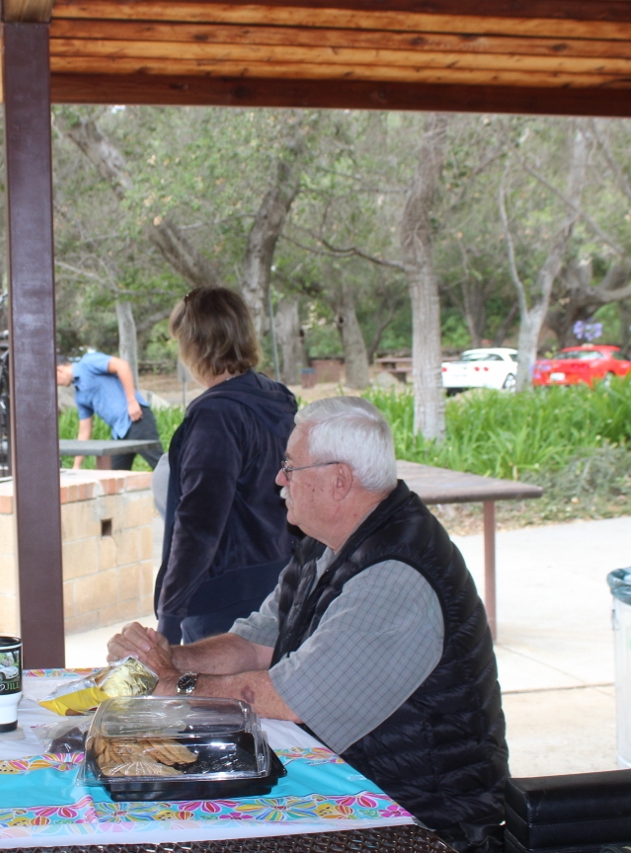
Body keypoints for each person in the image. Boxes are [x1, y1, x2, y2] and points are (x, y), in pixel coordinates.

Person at [109, 396, 508, 853]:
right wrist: (167, 658)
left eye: (290, 467)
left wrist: (174, 684)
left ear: (339, 481)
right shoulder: (331, 544)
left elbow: (290, 698)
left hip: (418, 825)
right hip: (355, 793)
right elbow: (256, 641)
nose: (279, 479)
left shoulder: (396, 574)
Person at [155, 287, 297, 645]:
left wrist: (170, 615)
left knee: (214, 701)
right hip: (278, 584)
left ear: (195, 343)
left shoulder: (216, 415)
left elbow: (199, 523)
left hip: (222, 599)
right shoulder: (276, 398)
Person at [56, 351, 162, 471]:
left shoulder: (88, 363)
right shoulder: (80, 395)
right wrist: (76, 466)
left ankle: (182, 487)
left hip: (137, 418)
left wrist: (132, 401)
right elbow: (84, 431)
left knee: (159, 464)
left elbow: (122, 366)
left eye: (55, 379)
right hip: (119, 432)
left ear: (58, 370)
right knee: (113, 474)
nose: (57, 384)